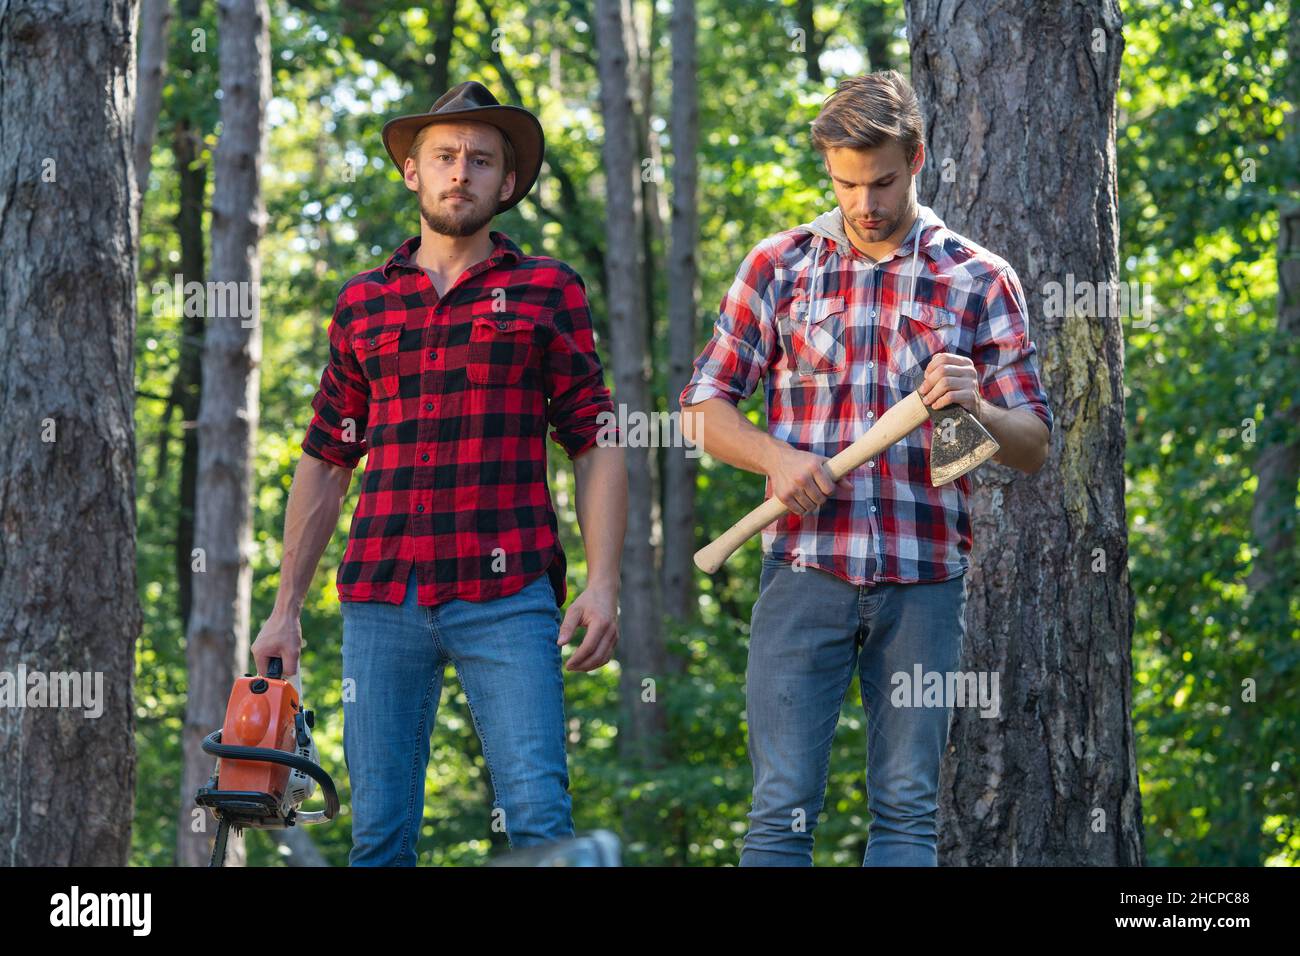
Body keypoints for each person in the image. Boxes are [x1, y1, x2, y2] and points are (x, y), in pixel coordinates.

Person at [680, 70, 1053, 866]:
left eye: (881, 180)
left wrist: (978, 408)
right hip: (803, 571)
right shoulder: (779, 266)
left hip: (924, 581)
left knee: (909, 812)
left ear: (916, 157)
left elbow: (1033, 444)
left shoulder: (979, 278)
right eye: (845, 183)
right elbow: (702, 407)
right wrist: (777, 458)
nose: (864, 203)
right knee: (779, 812)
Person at [252, 81, 627, 865]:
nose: (462, 172)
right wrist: (285, 608)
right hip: (380, 597)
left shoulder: (546, 290)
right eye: (445, 156)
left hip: (509, 594)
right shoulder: (361, 304)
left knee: (540, 821)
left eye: (482, 160)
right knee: (379, 837)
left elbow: (595, 438)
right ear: (412, 172)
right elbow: (326, 459)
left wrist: (602, 584)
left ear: (508, 183)